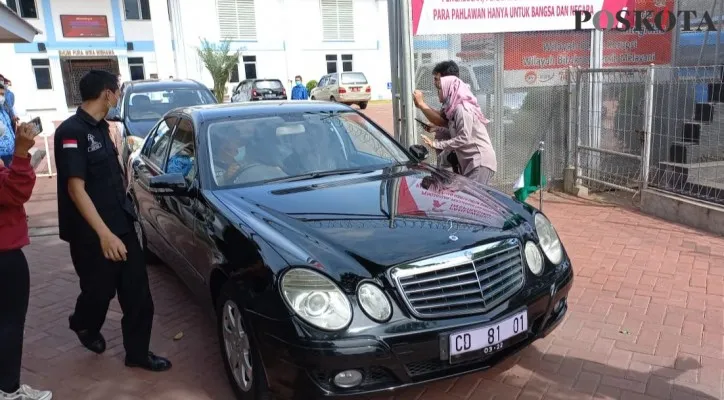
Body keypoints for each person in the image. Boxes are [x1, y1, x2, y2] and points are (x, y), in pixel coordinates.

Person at [53, 70, 171, 372]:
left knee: (138, 295)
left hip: (122, 224)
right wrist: (104, 235)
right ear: (107, 93)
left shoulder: (104, 129)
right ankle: (83, 324)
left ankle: (138, 353)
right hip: (92, 234)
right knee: (99, 292)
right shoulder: (71, 131)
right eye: (117, 91)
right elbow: (75, 189)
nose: (118, 96)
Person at [0, 122, 53, 400]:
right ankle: (8, 391)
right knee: (9, 322)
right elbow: (14, 192)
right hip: (4, 255)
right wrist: (21, 153)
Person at [421, 75, 497, 185]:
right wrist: (437, 129)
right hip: (471, 163)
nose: (438, 92)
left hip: (479, 162)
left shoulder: (462, 109)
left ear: (450, 89)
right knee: (468, 199)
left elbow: (464, 138)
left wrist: (436, 144)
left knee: (471, 199)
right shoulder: (453, 110)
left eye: (440, 89)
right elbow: (457, 134)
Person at [412, 61, 462, 174]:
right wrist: (422, 105)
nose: (434, 83)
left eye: (436, 79)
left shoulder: (458, 100)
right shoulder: (450, 97)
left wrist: (422, 104)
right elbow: (441, 116)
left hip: (466, 157)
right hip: (451, 152)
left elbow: (440, 121)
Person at [0, 82, 16, 166]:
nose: (2, 97)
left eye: (3, 95)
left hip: (11, 150)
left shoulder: (3, 110)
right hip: (2, 155)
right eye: (0, 94)